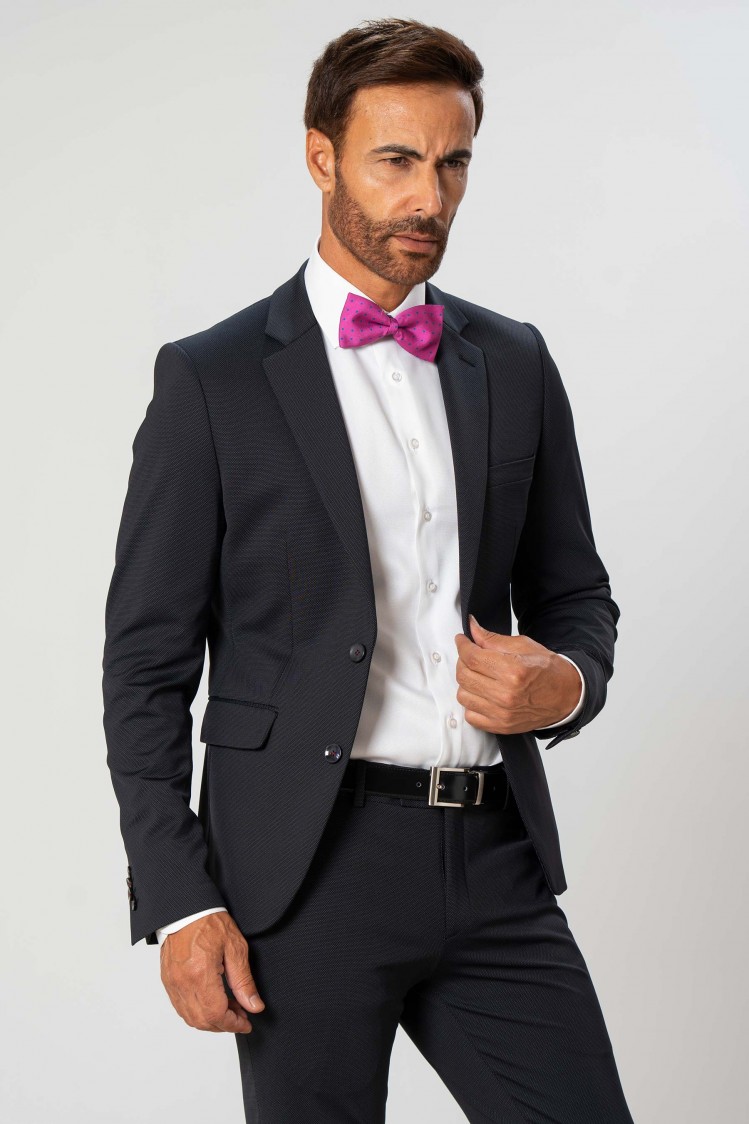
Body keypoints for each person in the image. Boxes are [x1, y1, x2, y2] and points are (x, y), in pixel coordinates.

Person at [103, 17, 634, 1123]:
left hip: (494, 851)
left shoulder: (513, 360)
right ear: (321, 157)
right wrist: (181, 897)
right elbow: (146, 664)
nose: (427, 198)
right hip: (305, 869)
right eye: (396, 160)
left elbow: (574, 592)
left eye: (453, 163)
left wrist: (565, 685)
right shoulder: (213, 380)